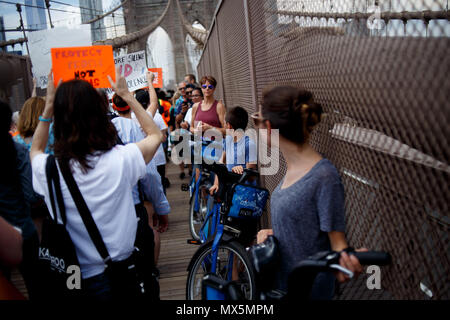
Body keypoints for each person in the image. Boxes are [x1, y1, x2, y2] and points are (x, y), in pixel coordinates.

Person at [30, 70, 163, 299]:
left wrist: (49, 106)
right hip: (125, 275)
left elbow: (35, 150)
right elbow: (155, 136)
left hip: (75, 281)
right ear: (100, 113)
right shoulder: (122, 159)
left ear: (59, 120)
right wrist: (128, 96)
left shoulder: (49, 169)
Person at [254, 86, 366, 300]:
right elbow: (305, 227)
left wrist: (347, 260)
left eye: (257, 120)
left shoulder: (324, 176)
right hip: (283, 289)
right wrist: (276, 233)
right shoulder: (293, 169)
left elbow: (337, 245)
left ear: (268, 127)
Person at [0, 100, 40, 299]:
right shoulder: (19, 151)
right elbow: (31, 194)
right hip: (25, 230)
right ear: (9, 123)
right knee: (36, 287)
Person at [209, 106, 257, 195]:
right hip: (229, 189)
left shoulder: (249, 144)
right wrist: (216, 184)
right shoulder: (228, 140)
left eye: (224, 123)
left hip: (244, 193)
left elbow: (252, 177)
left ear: (228, 125)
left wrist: (243, 169)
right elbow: (220, 164)